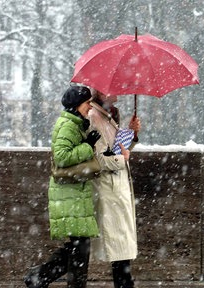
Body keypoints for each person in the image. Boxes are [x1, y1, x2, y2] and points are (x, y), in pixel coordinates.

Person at [24, 86, 101, 288]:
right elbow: (62, 156)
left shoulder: (75, 124)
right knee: (80, 247)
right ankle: (43, 277)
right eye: (87, 103)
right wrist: (87, 146)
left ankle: (40, 277)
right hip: (70, 195)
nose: (89, 107)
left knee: (78, 246)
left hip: (74, 194)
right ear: (77, 105)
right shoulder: (68, 125)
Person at [87, 89, 141, 288]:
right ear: (103, 92)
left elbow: (118, 149)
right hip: (109, 190)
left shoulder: (106, 116)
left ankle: (125, 283)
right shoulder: (95, 118)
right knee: (119, 246)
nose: (118, 94)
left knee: (121, 247)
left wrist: (132, 134)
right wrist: (122, 158)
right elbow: (101, 159)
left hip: (116, 188)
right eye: (114, 91)